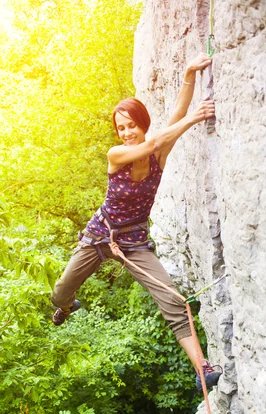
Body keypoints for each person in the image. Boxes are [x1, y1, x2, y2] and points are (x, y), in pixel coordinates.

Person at [51, 53, 222, 391]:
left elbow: (173, 116)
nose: (127, 132)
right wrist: (193, 119)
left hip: (134, 242)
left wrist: (188, 73)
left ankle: (203, 369)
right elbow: (161, 136)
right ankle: (67, 307)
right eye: (121, 127)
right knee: (59, 293)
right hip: (102, 234)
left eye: (132, 125)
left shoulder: (157, 153)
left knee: (173, 301)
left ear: (143, 123)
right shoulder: (117, 155)